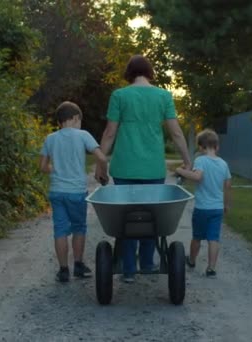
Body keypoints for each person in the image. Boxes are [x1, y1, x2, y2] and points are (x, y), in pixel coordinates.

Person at [96, 55, 192, 283]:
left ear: (129, 73)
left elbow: (109, 133)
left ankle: (128, 269)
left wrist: (101, 165)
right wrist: (188, 160)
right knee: (152, 216)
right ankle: (148, 264)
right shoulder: (163, 96)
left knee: (126, 217)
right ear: (150, 72)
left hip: (124, 168)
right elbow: (176, 132)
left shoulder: (120, 95)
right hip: (153, 169)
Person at [40, 101, 108, 283]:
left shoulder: (50, 138)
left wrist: (55, 169)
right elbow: (101, 157)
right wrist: (103, 174)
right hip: (76, 192)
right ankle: (78, 265)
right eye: (79, 121)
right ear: (75, 118)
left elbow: (43, 167)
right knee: (79, 228)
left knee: (60, 230)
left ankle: (63, 270)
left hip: (57, 191)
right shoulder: (83, 135)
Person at [175, 129, 232, 278]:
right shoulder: (224, 164)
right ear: (217, 146)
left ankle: (192, 260)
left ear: (201, 147)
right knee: (214, 238)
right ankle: (211, 268)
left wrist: (180, 171)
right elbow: (227, 186)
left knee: (197, 237)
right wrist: (227, 204)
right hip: (217, 208)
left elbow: (197, 177)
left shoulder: (201, 160)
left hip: (202, 208)